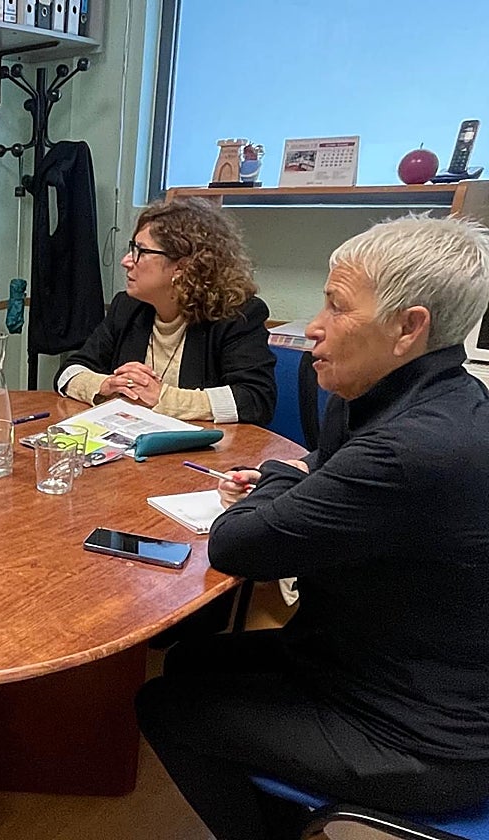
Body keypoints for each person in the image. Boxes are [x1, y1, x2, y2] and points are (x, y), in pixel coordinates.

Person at [136, 214, 489, 840]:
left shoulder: (415, 446)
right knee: (190, 659)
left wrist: (276, 477)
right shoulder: (410, 397)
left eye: (336, 306)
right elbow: (313, 469)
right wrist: (290, 479)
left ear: (409, 327)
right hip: (369, 660)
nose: (313, 328)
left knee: (166, 707)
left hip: (427, 739)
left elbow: (239, 543)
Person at [55, 196, 276, 425]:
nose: (126, 261)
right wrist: (105, 385)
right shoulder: (127, 307)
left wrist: (161, 397)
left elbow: (256, 400)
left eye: (141, 251)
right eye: (132, 249)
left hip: (203, 454)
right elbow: (68, 372)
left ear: (182, 267)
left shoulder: (236, 314)